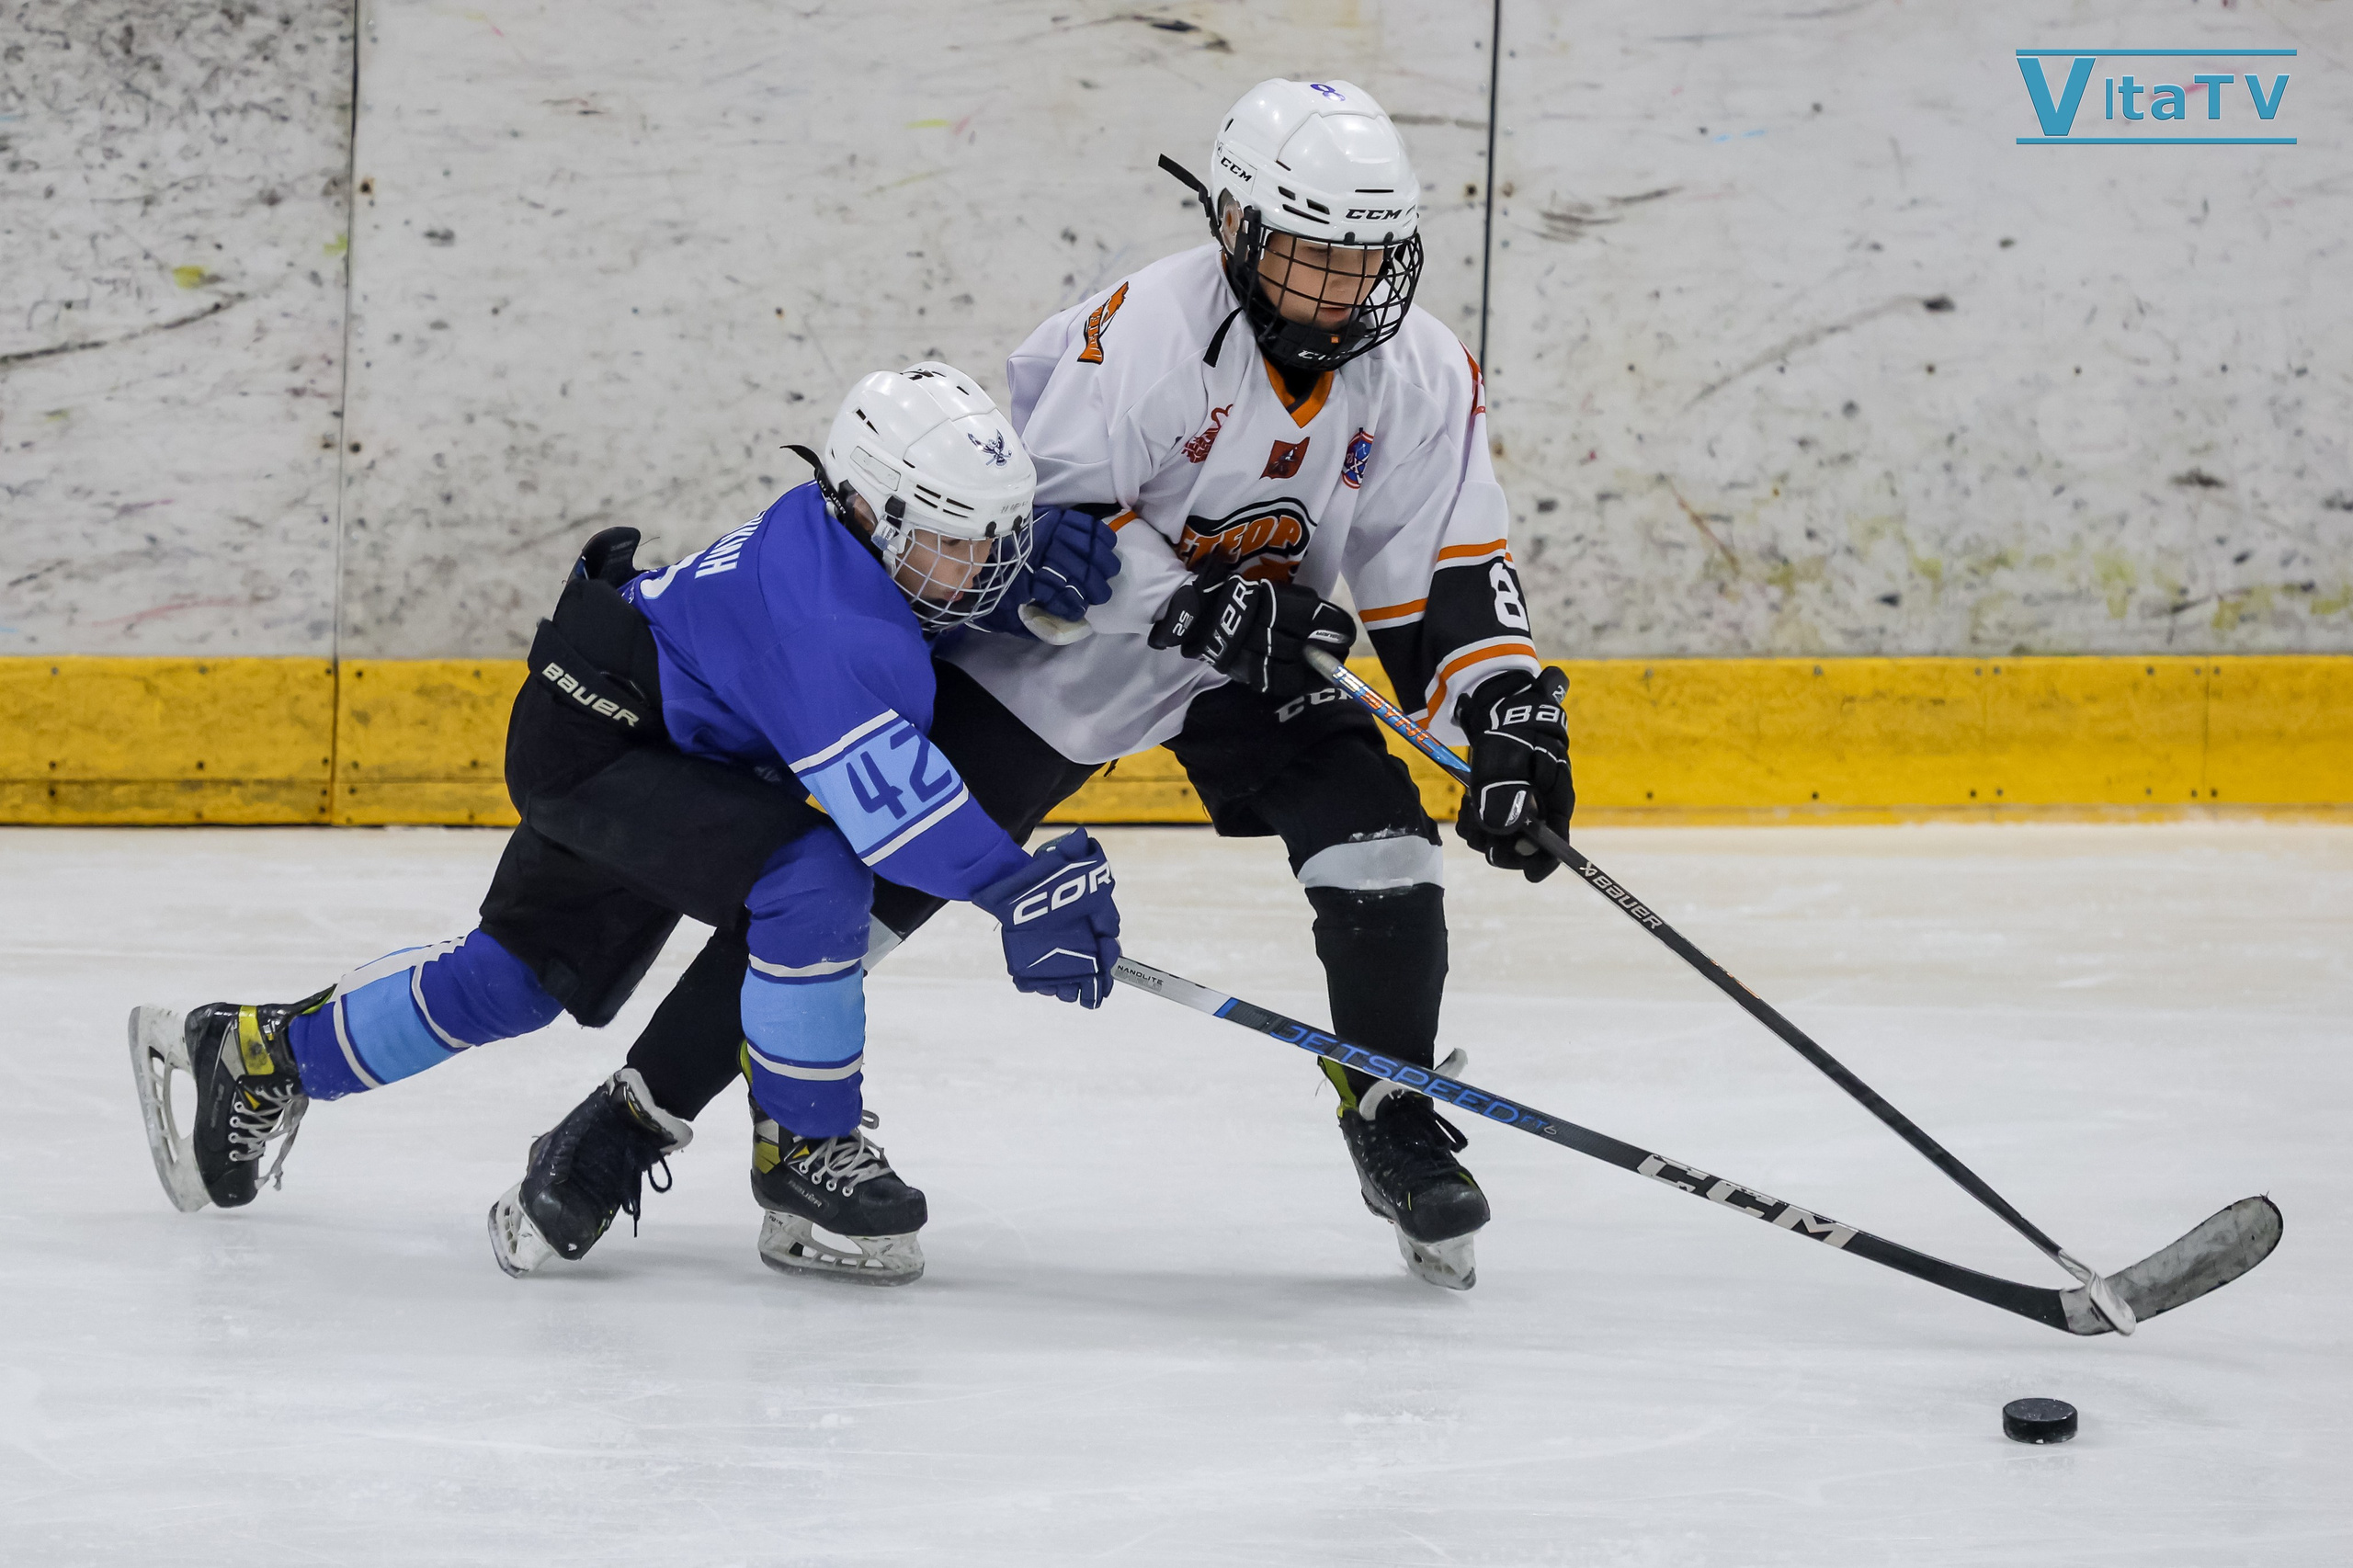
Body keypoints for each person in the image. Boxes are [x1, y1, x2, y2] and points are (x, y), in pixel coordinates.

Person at [515, 78, 1573, 1293]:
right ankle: (632, 1116)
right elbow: (1045, 538)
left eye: (1364, 256)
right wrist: (1177, 590)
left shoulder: (1424, 372)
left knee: (1379, 834)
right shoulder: (1137, 333)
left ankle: (1391, 1101)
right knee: (849, 896)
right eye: (1306, 253)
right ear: (1231, 225)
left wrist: (1505, 718)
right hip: (1064, 665)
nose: (1340, 288)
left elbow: (1442, 571)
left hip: (1256, 661)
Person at [126, 362, 1128, 1287]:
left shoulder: (849, 547)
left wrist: (997, 584)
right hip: (608, 748)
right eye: (960, 539)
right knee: (812, 880)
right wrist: (1013, 889)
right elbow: (897, 817)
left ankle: (257, 1053)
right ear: (869, 509)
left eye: (996, 534)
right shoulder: (826, 622)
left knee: (507, 983)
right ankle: (805, 1145)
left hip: (631, 730)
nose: (986, 561)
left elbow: (910, 619)